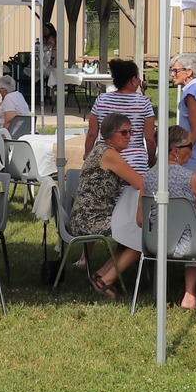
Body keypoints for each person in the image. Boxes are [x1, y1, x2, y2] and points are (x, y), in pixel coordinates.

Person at [91, 125, 196, 308]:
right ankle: (189, 294)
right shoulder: (193, 179)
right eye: (190, 146)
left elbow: (140, 220)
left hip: (154, 243)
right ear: (175, 151)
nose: (193, 149)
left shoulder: (148, 178)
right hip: (190, 244)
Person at [77, 114, 149, 297]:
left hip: (86, 215)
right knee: (144, 234)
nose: (129, 136)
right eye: (124, 132)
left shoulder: (101, 150)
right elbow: (140, 182)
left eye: (131, 132)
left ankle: (100, 274)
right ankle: (106, 280)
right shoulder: (109, 154)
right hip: (91, 219)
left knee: (134, 228)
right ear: (109, 136)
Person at [82, 60, 154, 172]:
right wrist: (151, 159)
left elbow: (92, 134)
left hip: (105, 160)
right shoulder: (144, 102)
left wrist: (87, 157)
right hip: (135, 163)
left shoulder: (101, 100)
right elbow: (149, 139)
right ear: (133, 80)